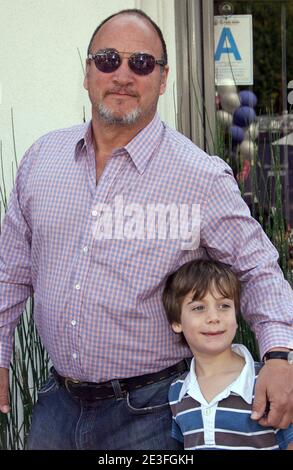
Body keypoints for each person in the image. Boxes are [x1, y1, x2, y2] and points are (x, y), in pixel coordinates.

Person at [0, 8, 292, 450]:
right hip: (56, 406)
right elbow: (9, 273)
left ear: (162, 77)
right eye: (107, 59)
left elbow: (258, 270)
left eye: (140, 63)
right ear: (87, 72)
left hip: (153, 414)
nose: (122, 74)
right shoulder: (43, 159)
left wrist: (278, 356)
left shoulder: (199, 176)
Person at [163, 259, 293, 450]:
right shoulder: (177, 392)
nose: (214, 317)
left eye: (224, 306)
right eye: (199, 308)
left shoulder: (266, 382)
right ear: (177, 323)